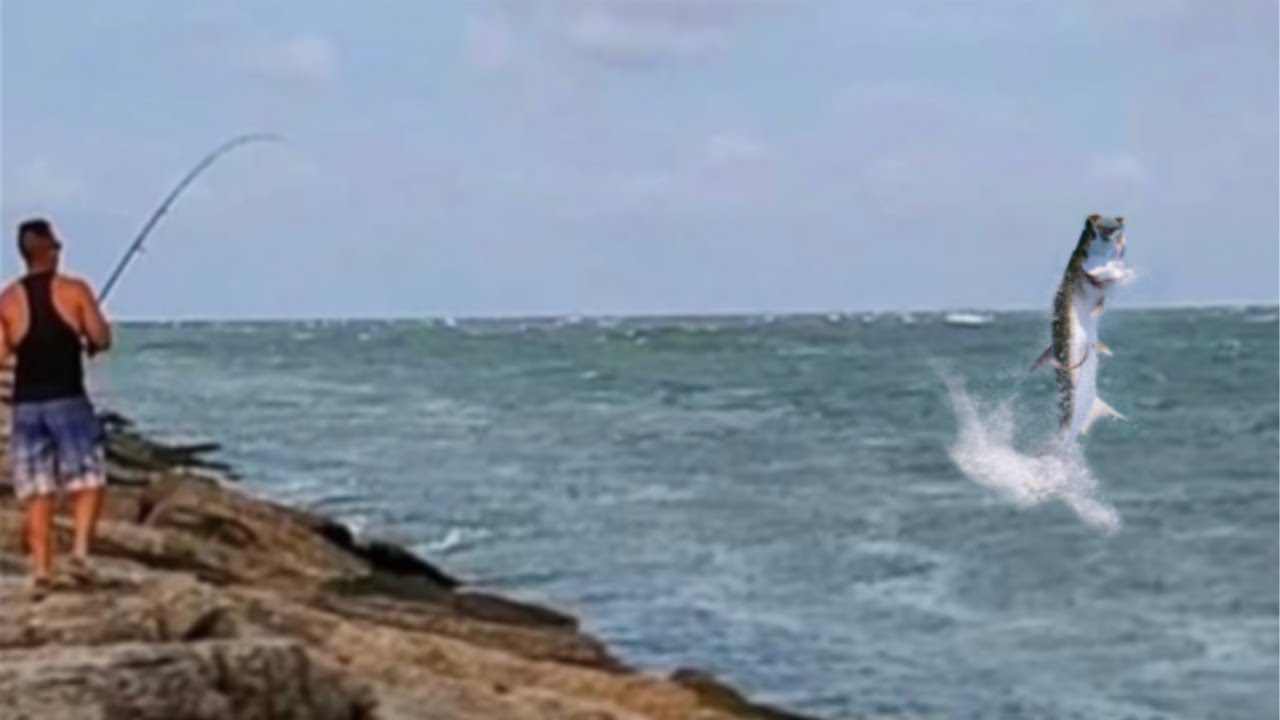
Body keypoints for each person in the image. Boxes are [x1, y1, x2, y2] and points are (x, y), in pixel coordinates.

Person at [0, 218, 112, 598]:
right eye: (57, 246)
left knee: (38, 490)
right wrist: (89, 342)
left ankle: (42, 571)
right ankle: (80, 554)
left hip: (27, 407)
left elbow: (1, 356)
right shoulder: (75, 290)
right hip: (68, 400)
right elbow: (101, 337)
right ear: (46, 250)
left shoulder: (8, 300)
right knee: (89, 479)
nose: (60, 251)